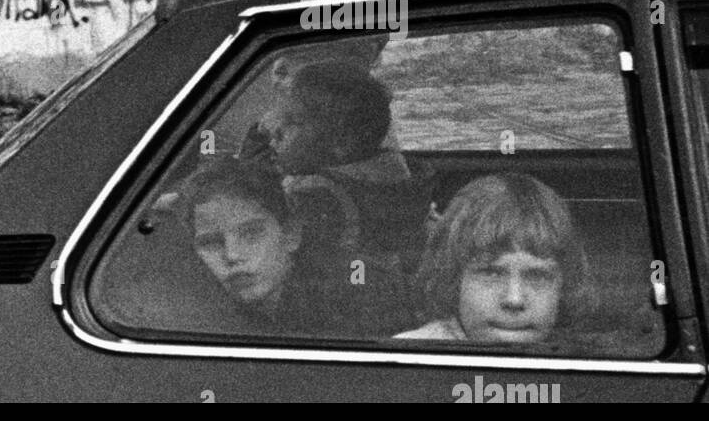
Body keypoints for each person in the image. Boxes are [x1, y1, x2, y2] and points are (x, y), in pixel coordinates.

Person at [239, 57, 430, 333]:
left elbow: (245, 199)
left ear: (341, 144)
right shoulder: (392, 179)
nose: (275, 130)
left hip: (325, 320)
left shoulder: (316, 196)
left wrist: (256, 138)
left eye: (292, 121)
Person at [395, 173, 596, 346]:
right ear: (453, 281)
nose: (514, 299)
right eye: (491, 273)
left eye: (538, 276)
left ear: (564, 287)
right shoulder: (405, 360)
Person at [174, 158, 333, 335]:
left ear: (290, 235)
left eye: (251, 233)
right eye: (211, 242)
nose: (232, 255)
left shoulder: (337, 307)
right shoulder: (201, 313)